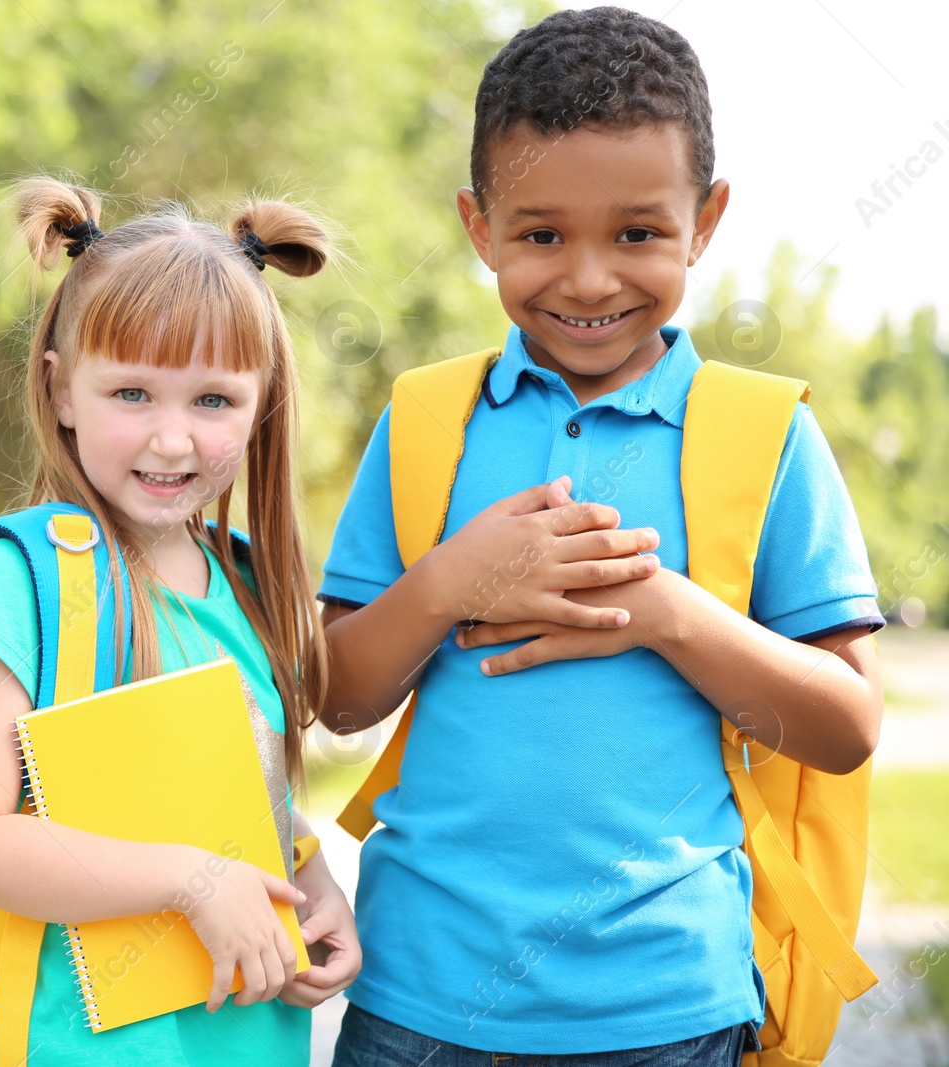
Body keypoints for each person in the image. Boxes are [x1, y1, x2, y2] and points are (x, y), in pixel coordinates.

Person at [317, 8, 886, 1065]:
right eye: (540, 235)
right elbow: (339, 695)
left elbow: (844, 727)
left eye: (636, 233)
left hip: (668, 1006)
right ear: (477, 225)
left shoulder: (767, 435)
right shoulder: (427, 422)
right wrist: (449, 581)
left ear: (704, 220)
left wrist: (663, 614)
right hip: (419, 1001)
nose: (586, 280)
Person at [0, 178, 362, 1067]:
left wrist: (309, 888)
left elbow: (235, 792)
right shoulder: (30, 574)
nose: (171, 439)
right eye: (131, 394)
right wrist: (193, 883)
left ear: (261, 401)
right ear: (63, 391)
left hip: (247, 1036)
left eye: (212, 401)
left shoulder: (244, 580)